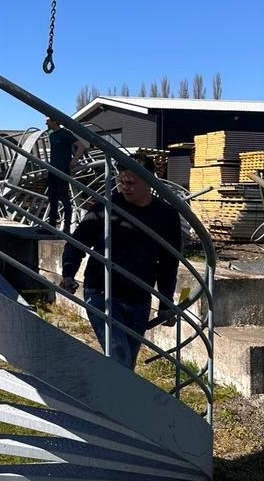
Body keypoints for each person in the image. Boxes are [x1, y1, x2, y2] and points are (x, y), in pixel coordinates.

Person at [59, 157, 182, 369]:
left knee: (126, 363)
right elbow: (76, 242)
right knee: (119, 358)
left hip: (139, 297)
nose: (125, 188)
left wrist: (166, 303)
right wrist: (68, 273)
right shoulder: (105, 207)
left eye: (132, 183)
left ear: (150, 182)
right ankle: (109, 400)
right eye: (121, 182)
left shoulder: (166, 215)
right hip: (101, 291)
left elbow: (169, 263)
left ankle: (114, 400)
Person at [45, 117, 86, 232]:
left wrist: (74, 160)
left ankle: (67, 227)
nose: (45, 122)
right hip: (52, 169)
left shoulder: (65, 133)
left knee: (64, 197)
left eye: (48, 120)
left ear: (55, 121)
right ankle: (51, 226)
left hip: (62, 169)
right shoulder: (50, 133)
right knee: (52, 197)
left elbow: (81, 146)